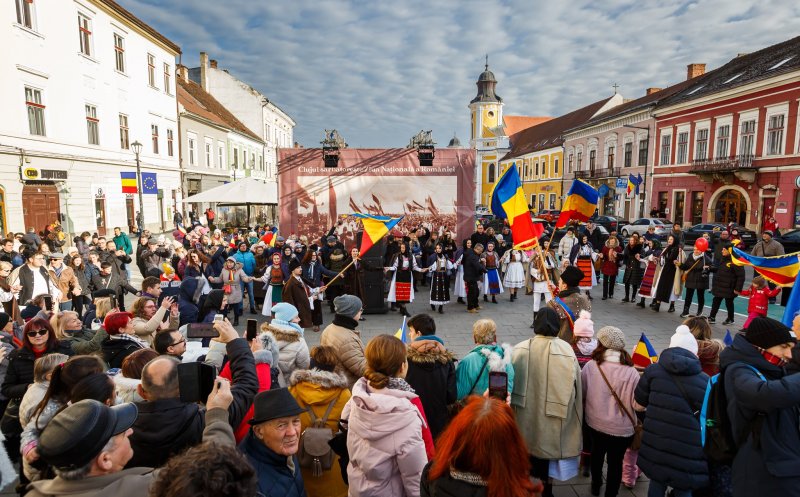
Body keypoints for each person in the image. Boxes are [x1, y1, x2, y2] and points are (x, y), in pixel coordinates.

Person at [26, 379, 236, 497]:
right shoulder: (143, 489)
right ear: (104, 460)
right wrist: (216, 413)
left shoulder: (36, 492)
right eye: (120, 431)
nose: (130, 431)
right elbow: (219, 468)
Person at [127, 319, 258, 468]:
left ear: (141, 391)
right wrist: (235, 341)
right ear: (187, 387)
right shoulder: (205, 421)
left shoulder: (123, 427)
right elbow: (247, 384)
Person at [719, 317, 800, 497]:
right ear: (764, 344)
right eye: (784, 346)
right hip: (763, 474)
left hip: (780, 469)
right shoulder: (738, 370)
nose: (789, 355)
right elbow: (764, 394)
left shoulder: (772, 368)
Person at [343, 334, 431, 497]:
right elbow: (415, 478)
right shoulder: (405, 414)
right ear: (402, 367)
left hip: (357, 489)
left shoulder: (357, 399)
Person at [512, 307, 583, 497]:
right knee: (549, 456)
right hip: (554, 415)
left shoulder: (519, 349)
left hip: (524, 412)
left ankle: (526, 486)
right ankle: (547, 489)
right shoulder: (566, 350)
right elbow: (578, 387)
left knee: (527, 451)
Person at [634, 325, 708, 497]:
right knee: (684, 487)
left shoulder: (653, 371)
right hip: (688, 447)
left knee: (657, 481)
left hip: (657, 440)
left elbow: (638, 403)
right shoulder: (705, 381)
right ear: (695, 354)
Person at [421, 396, 543, 497]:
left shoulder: (433, 474)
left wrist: (482, 411)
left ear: (455, 437)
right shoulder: (524, 489)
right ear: (511, 446)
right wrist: (488, 412)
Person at [580, 326, 640, 497]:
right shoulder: (632, 372)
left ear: (601, 344)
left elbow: (583, 393)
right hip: (622, 429)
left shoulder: (592, 366)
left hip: (595, 423)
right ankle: (611, 493)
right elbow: (637, 404)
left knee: (597, 456)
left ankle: (596, 484)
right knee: (616, 463)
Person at [287, 346, 351, 497]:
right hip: (334, 465)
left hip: (301, 461)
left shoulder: (294, 390)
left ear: (311, 364)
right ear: (334, 366)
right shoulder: (344, 394)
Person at [405, 313, 457, 439]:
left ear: (418, 333)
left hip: (412, 420)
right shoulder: (447, 361)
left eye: (410, 331)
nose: (409, 335)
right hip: (439, 422)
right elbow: (451, 396)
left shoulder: (406, 360)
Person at [455, 319, 514, 400]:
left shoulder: (467, 361)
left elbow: (459, 394)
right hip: (498, 409)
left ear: (475, 338)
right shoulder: (505, 358)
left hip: (476, 409)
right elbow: (509, 388)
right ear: (495, 338)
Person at [319, 295, 366, 389]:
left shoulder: (329, 328)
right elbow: (362, 369)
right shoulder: (347, 340)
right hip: (349, 386)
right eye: (360, 310)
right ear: (352, 312)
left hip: (336, 379)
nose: (361, 312)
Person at [265, 302, 310, 378]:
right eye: (296, 317)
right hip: (290, 385)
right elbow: (305, 366)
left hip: (268, 384)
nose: (299, 319)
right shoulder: (299, 341)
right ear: (287, 320)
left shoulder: (264, 336)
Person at [549, 265, 591, 342]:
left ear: (564, 286)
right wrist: (557, 290)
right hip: (581, 344)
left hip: (562, 345)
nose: (558, 282)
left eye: (560, 281)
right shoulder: (585, 298)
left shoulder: (553, 304)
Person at [708, 243, 745, 325]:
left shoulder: (736, 261)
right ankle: (712, 317)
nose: (722, 251)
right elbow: (720, 269)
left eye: (724, 249)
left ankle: (730, 318)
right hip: (720, 285)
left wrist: (738, 289)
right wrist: (711, 269)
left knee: (729, 303)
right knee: (716, 301)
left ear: (729, 251)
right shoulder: (724, 258)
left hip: (729, 287)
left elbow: (741, 276)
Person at [283, 259, 325, 330]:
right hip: (297, 314)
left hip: (302, 311)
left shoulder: (300, 279)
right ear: (293, 270)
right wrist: (311, 299)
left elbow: (306, 290)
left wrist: (318, 290)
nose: (301, 269)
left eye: (300, 267)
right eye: (298, 268)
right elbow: (290, 302)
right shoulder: (290, 284)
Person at [385, 241, 425, 317]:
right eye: (401, 248)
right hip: (399, 276)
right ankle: (404, 310)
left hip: (407, 276)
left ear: (406, 248)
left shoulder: (411, 256)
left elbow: (414, 266)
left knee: (405, 294)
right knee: (400, 294)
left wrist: (421, 270)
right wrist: (389, 268)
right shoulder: (398, 256)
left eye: (403, 248)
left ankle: (402, 309)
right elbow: (395, 266)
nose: (402, 249)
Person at [678, 244, 712, 318]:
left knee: (700, 296)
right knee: (688, 296)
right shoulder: (691, 256)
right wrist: (680, 264)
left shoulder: (706, 259)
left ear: (702, 250)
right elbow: (686, 267)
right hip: (691, 278)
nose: (695, 251)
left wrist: (707, 268)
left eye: (697, 249)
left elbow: (711, 269)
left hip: (701, 279)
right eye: (694, 249)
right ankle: (685, 311)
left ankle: (700, 311)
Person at [260, 252, 289, 319]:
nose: (276, 260)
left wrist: (285, 281)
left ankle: (281, 319)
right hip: (272, 288)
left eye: (277, 258)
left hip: (281, 288)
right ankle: (274, 319)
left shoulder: (284, 267)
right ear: (272, 259)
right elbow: (265, 278)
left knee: (281, 304)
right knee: (273, 304)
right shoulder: (270, 268)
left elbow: (288, 276)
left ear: (280, 259)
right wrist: (254, 278)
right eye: (274, 259)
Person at [569, 234, 598, 300]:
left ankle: (587, 293)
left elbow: (592, 253)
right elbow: (574, 256)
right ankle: (579, 294)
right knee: (581, 279)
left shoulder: (589, 245)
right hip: (580, 265)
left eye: (586, 239)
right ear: (581, 239)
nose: (585, 240)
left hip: (588, 264)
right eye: (584, 239)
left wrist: (597, 255)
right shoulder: (577, 246)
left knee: (587, 279)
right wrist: (575, 262)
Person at [426, 243, 454, 313]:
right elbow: (431, 266)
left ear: (442, 249)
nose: (438, 250)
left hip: (444, 276)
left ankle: (441, 307)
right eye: (437, 248)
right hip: (436, 275)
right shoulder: (433, 256)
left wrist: (454, 265)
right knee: (435, 290)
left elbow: (449, 266)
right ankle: (432, 303)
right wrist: (431, 268)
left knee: (443, 291)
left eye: (440, 248)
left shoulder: (445, 256)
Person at [620, 233, 644, 303]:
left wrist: (639, 256)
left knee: (634, 283)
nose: (631, 241)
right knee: (627, 282)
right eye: (630, 240)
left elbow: (643, 255)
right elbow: (624, 255)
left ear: (635, 241)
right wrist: (618, 255)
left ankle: (633, 297)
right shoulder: (627, 247)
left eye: (632, 240)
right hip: (629, 266)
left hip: (636, 267)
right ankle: (627, 297)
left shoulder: (639, 247)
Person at [463, 242, 485, 313]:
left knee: (476, 291)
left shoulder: (473, 254)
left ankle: (475, 305)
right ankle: (470, 308)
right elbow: (477, 265)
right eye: (480, 251)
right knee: (472, 292)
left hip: (473, 276)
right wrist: (484, 269)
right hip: (470, 276)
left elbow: (477, 263)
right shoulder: (472, 255)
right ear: (476, 249)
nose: (481, 252)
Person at [599, 236, 622, 301]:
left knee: (612, 281)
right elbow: (603, 256)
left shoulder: (618, 248)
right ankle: (604, 295)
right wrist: (601, 256)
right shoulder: (605, 247)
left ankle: (611, 293)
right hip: (606, 265)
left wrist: (616, 256)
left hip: (614, 265)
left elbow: (621, 257)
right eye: (611, 241)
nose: (612, 242)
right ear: (609, 241)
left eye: (613, 241)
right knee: (605, 281)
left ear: (615, 242)